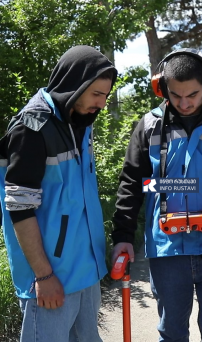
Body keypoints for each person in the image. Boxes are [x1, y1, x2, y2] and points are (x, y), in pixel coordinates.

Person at [111, 48, 202, 342]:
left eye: (192, 95)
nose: (184, 103)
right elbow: (132, 183)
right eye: (175, 95)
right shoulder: (149, 127)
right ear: (162, 88)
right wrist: (123, 236)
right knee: (171, 333)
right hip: (167, 250)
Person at [0, 45, 117, 341]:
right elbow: (19, 208)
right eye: (96, 95)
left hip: (86, 272)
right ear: (75, 86)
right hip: (52, 279)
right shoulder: (32, 128)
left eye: (105, 96)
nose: (101, 104)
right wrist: (43, 275)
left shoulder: (81, 121)